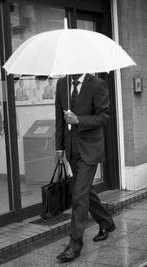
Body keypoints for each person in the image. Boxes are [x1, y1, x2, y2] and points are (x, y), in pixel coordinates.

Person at [55, 73, 116, 262]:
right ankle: (106, 222)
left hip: (90, 149)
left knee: (79, 195)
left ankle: (74, 245)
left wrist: (78, 120)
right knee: (86, 190)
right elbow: (59, 118)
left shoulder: (98, 84)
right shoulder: (62, 83)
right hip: (72, 149)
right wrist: (59, 147)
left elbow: (104, 117)